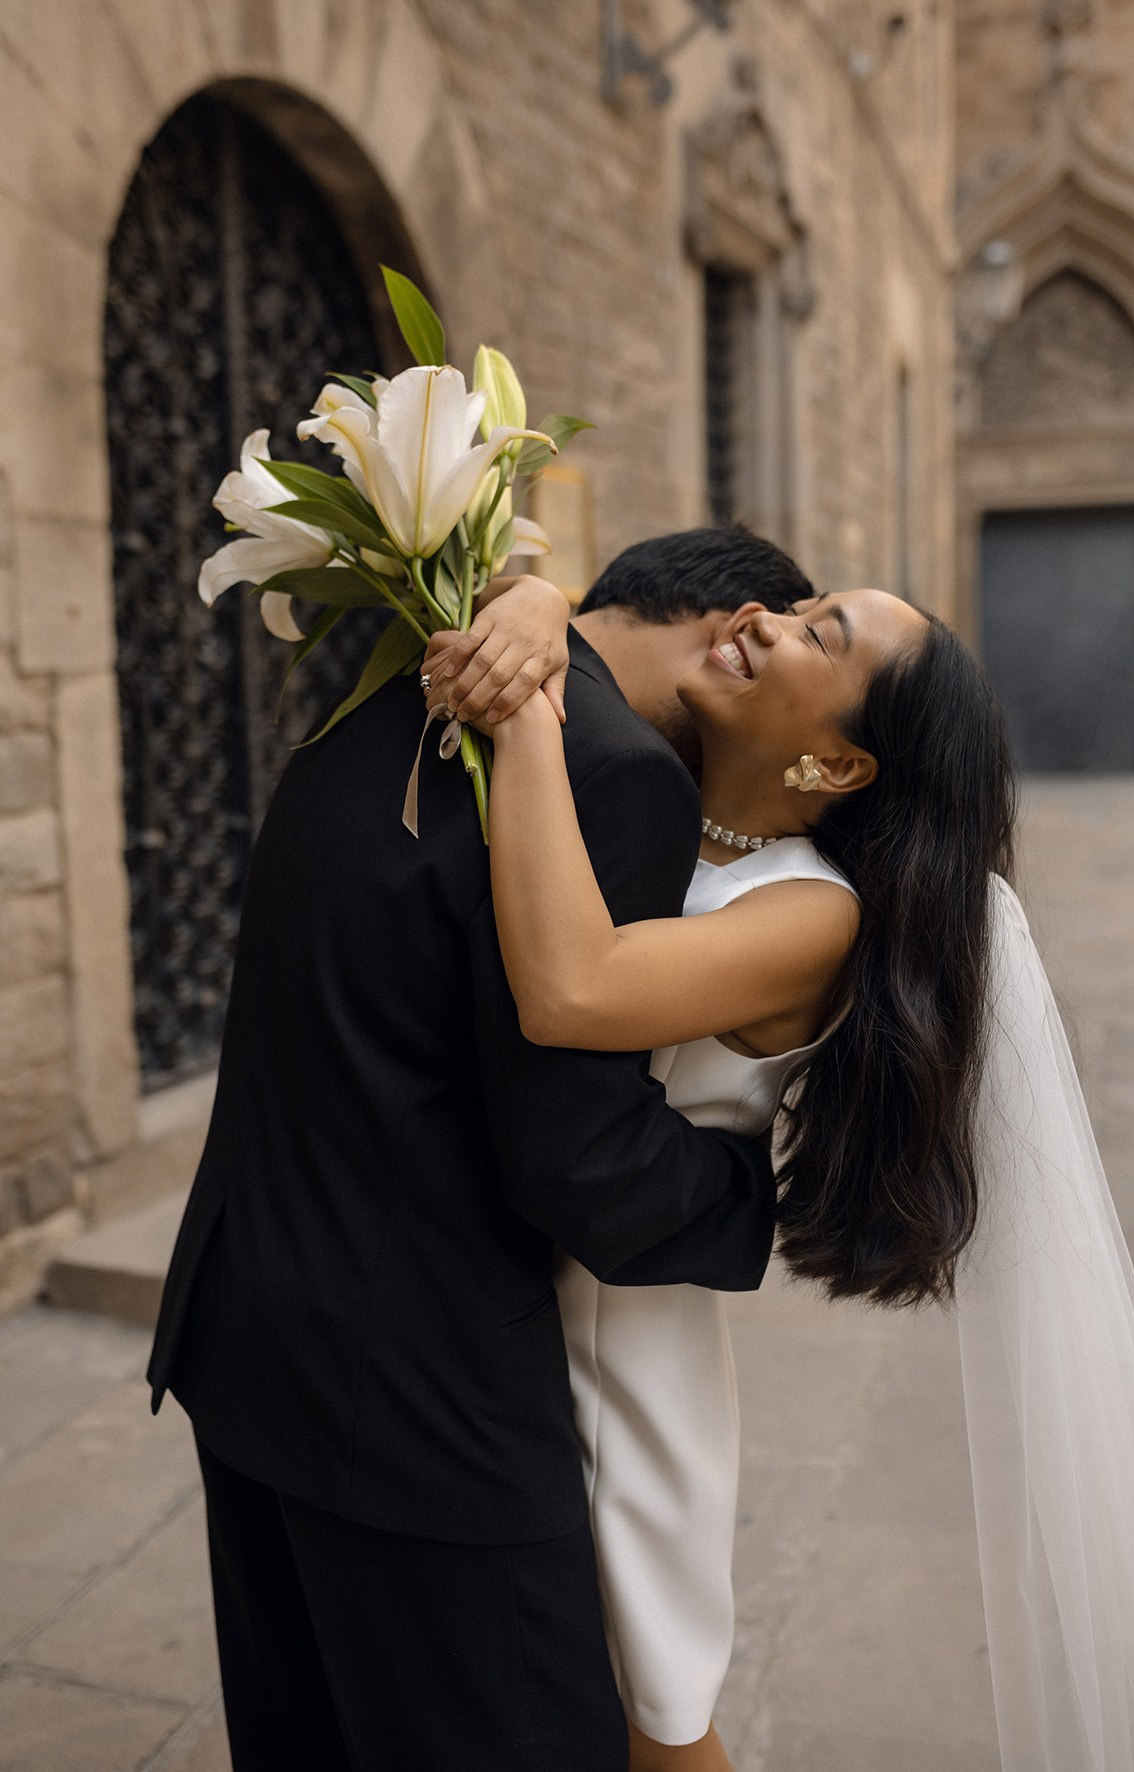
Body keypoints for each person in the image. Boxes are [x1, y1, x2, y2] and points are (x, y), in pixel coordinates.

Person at [426, 567, 1134, 1772]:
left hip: (622, 1344)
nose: (759, 616)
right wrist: (535, 605)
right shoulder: (654, 797)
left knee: (653, 1720)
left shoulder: (811, 914)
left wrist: (521, 700)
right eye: (801, 603)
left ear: (833, 765)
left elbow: (572, 989)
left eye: (813, 632)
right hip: (509, 1295)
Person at [146, 529, 813, 1772]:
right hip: (423, 1398)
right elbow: (579, 1162)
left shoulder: (398, 675)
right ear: (734, 627)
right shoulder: (612, 770)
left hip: (245, 1329)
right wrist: (760, 1191)